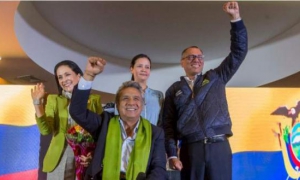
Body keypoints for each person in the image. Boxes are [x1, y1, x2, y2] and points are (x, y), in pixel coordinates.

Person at [163, 2, 248, 180]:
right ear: (182, 62)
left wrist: (235, 19)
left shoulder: (216, 77)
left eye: (200, 57)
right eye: (191, 57)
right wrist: (172, 154)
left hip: (219, 146)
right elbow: (168, 126)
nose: (196, 60)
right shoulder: (174, 90)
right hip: (190, 149)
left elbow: (239, 52)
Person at [69, 57, 167, 180]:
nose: (131, 102)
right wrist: (89, 75)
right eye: (125, 98)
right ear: (117, 104)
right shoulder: (104, 123)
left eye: (136, 99)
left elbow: (159, 169)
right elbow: (77, 112)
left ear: (142, 106)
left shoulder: (156, 133)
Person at [31, 60, 103, 180]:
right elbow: (45, 130)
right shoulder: (54, 100)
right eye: (60, 77)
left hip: (85, 156)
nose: (64, 80)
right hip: (61, 154)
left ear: (79, 76)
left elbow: (100, 131)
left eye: (67, 74)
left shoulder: (94, 100)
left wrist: (92, 154)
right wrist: (37, 104)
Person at [115, 54, 164, 126]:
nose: (144, 70)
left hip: (153, 135)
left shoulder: (158, 95)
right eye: (139, 66)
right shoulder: (123, 92)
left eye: (147, 67)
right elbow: (118, 118)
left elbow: (162, 121)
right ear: (131, 69)